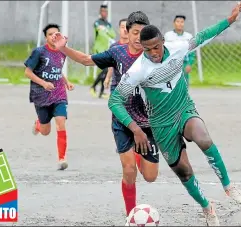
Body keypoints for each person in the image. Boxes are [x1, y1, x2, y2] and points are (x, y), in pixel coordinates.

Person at [107, 2, 241, 226]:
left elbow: (203, 36)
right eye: (147, 49)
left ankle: (229, 186)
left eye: (156, 47)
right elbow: (114, 101)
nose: (153, 53)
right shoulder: (138, 71)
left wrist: (230, 20)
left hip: (184, 109)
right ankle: (206, 207)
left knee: (203, 138)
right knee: (184, 171)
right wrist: (135, 129)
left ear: (163, 41)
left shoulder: (179, 46)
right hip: (161, 124)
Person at [52, 12, 160, 218]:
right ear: (127, 33)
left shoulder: (154, 55)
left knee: (150, 176)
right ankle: (131, 217)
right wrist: (63, 48)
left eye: (141, 33)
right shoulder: (117, 53)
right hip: (122, 120)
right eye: (134, 32)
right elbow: (85, 60)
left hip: (147, 123)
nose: (138, 37)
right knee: (129, 171)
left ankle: (139, 153)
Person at [24, 23, 75, 171]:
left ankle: (62, 159)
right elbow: (28, 72)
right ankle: (39, 124)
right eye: (50, 34)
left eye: (56, 33)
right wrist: (44, 83)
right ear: (46, 38)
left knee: (61, 123)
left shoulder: (62, 52)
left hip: (58, 93)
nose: (54, 36)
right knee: (46, 131)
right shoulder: (39, 52)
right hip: (41, 95)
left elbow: (57, 70)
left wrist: (66, 82)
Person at [90, 4, 116, 99]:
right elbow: (101, 34)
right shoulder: (97, 23)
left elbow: (113, 34)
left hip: (106, 49)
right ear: (100, 12)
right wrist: (105, 32)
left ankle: (101, 92)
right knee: (105, 70)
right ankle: (93, 87)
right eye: (103, 11)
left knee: (105, 71)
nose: (104, 13)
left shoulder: (108, 24)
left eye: (106, 12)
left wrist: (106, 31)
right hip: (98, 49)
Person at [164, 15, 196, 87]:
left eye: (182, 22)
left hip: (184, 63)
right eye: (178, 21)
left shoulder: (189, 36)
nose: (180, 24)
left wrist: (189, 64)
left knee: (184, 85)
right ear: (174, 23)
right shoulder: (168, 36)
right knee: (171, 85)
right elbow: (164, 51)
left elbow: (191, 52)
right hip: (171, 63)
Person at [104, 18, 129, 90]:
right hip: (116, 84)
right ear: (119, 30)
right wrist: (107, 78)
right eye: (122, 27)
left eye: (127, 27)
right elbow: (111, 65)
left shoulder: (134, 47)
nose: (125, 30)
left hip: (130, 86)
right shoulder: (114, 47)